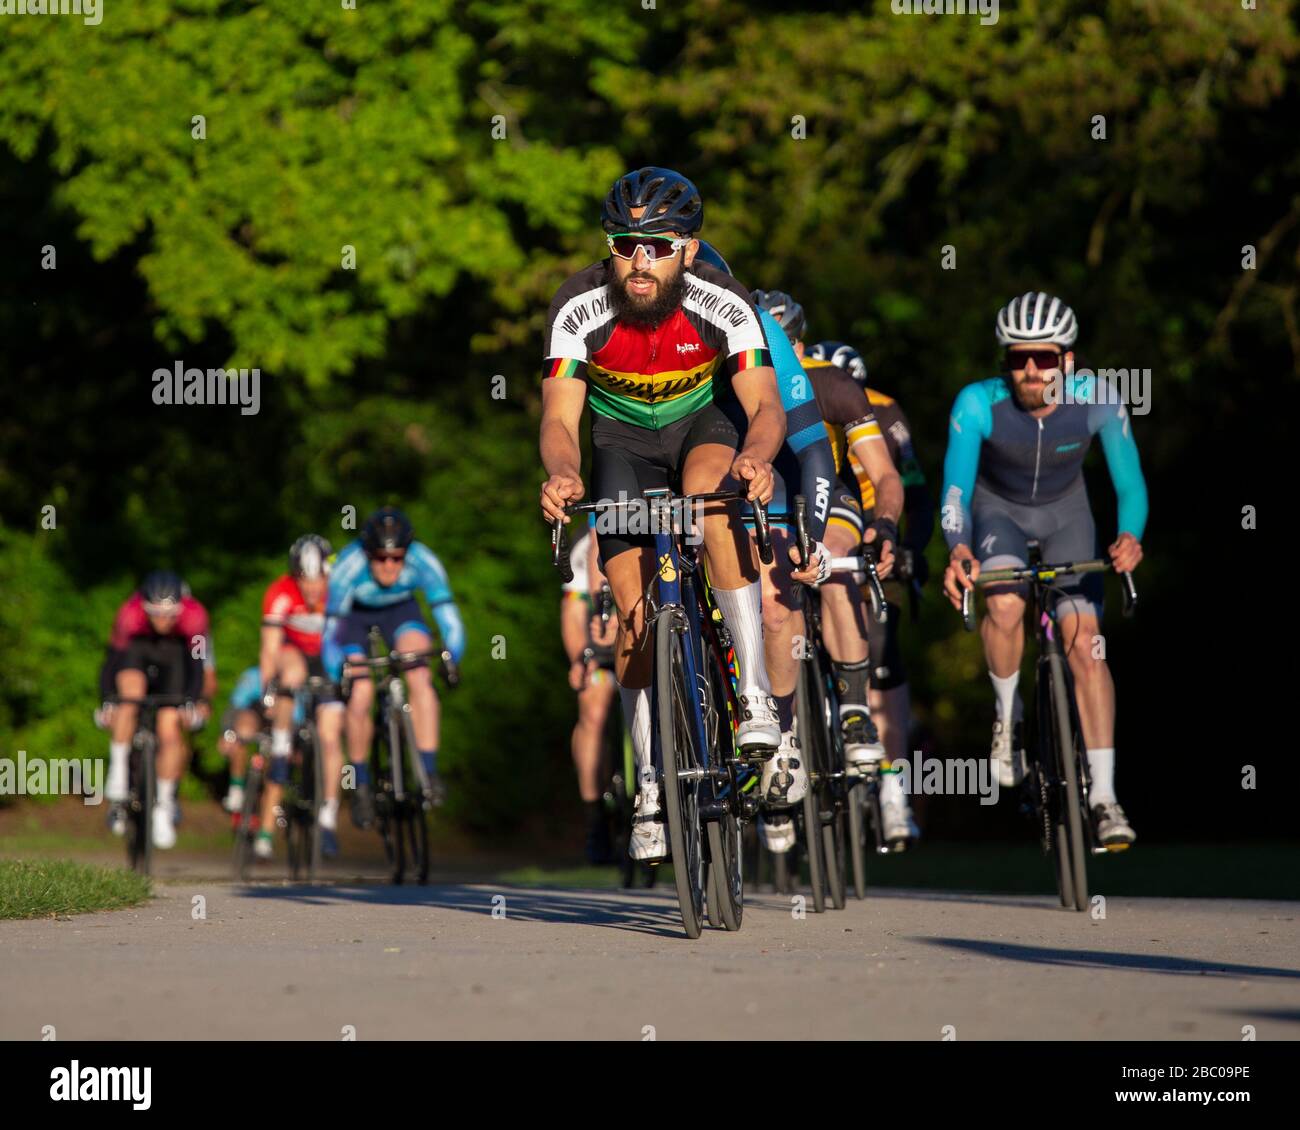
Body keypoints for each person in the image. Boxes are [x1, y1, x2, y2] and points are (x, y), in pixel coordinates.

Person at [539, 167, 787, 862]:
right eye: (624, 245)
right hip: (620, 445)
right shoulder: (579, 305)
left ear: (690, 248)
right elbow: (560, 416)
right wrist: (562, 471)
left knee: (711, 505)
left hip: (699, 427)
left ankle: (756, 697)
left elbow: (765, 405)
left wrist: (760, 458)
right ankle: (650, 779)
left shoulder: (724, 300)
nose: (639, 262)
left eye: (657, 245)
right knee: (635, 618)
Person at [941, 292, 1147, 847]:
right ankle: (1007, 717)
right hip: (997, 514)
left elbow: (1129, 485)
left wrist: (1130, 537)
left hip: (1068, 518)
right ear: (1004, 360)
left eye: (1046, 358)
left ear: (1068, 359)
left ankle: (1104, 797)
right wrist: (958, 548)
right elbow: (957, 491)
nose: (1031, 371)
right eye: (1017, 358)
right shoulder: (976, 403)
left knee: (1087, 643)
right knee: (1005, 602)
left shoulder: (1100, 398)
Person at [812, 338, 935, 847]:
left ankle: (892, 792)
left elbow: (913, 487)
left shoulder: (883, 410)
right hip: (826, 520)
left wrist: (908, 546)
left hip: (873, 532)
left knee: (883, 659)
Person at [323, 507, 466, 826]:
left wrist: (451, 657)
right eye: (380, 558)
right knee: (360, 691)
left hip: (402, 612)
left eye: (397, 558)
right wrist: (339, 672)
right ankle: (360, 785)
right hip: (354, 618)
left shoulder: (423, 561)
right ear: (368, 554)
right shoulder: (348, 566)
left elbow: (448, 615)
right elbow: (331, 632)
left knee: (419, 673)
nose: (389, 565)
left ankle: (428, 772)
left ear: (407, 554)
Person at [98, 570, 215, 850]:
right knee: (130, 696)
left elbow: (197, 666)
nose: (163, 620)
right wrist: (107, 700)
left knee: (169, 728)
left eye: (170, 614)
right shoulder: (129, 614)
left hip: (175, 659)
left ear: (180, 607)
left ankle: (163, 805)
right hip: (139, 654)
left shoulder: (195, 616)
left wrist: (190, 700)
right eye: (156, 613)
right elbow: (112, 661)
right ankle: (118, 772)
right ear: (144, 606)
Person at [559, 519, 619, 863]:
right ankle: (594, 816)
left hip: (638, 640)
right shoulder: (584, 545)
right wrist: (579, 657)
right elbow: (573, 608)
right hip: (597, 642)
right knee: (592, 709)